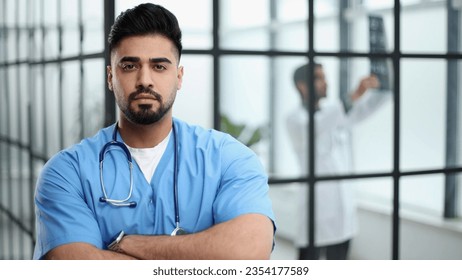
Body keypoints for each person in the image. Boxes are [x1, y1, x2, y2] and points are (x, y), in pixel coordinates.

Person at [33, 3, 275, 260]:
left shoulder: (229, 158)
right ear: (110, 77)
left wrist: (135, 245)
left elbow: (248, 251)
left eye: (159, 66)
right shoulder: (67, 172)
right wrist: (204, 254)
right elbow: (76, 266)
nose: (145, 80)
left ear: (179, 76)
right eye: (129, 66)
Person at [286, 62, 390, 260]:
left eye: (324, 77)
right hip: (316, 210)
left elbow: (363, 110)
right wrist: (355, 94)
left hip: (342, 210)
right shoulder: (295, 119)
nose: (325, 82)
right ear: (302, 85)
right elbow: (319, 123)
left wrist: (384, 86)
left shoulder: (335, 115)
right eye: (318, 78)